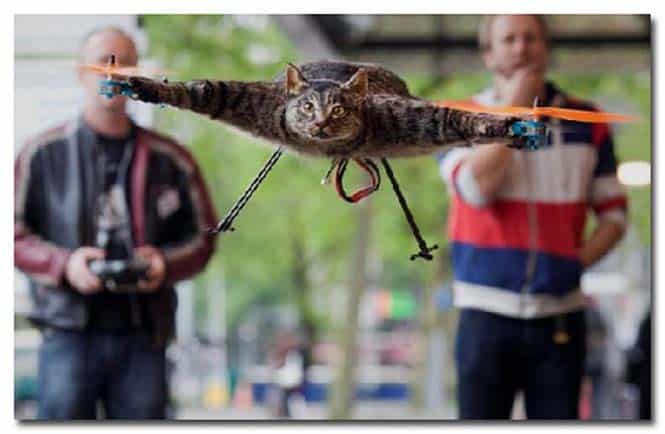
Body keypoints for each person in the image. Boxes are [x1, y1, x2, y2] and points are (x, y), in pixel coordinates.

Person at [14, 26, 218, 419]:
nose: (113, 72)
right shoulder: (41, 154)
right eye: (103, 60)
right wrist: (65, 264)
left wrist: (164, 264)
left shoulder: (172, 160)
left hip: (145, 334)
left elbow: (204, 239)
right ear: (80, 71)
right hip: (67, 332)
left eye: (124, 63)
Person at [438, 15, 628, 419]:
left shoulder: (587, 122)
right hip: (484, 313)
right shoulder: (456, 117)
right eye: (509, 39)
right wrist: (518, 104)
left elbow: (614, 216)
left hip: (560, 315)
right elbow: (475, 189)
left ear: (546, 47)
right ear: (489, 55)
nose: (521, 48)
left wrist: (574, 263)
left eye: (531, 38)